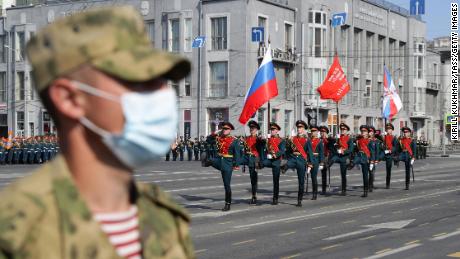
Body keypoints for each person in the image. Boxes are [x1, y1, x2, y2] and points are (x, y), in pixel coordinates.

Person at [0, 6, 195, 258]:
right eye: (135, 79)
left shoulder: (164, 217)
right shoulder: (15, 233)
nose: (161, 94)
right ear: (69, 98)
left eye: (160, 79)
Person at [202, 122, 240, 211]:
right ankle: (207, 163)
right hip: (219, 161)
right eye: (223, 128)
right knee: (209, 160)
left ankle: (228, 203)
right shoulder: (219, 138)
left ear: (230, 130)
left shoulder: (234, 141)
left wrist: (236, 165)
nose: (224, 130)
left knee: (226, 185)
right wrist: (215, 133)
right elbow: (208, 140)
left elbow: (237, 154)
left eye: (226, 129)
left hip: (227, 163)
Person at [240, 120, 265, 205]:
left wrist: (262, 140)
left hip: (254, 159)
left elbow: (262, 145)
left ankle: (254, 196)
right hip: (247, 158)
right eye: (251, 128)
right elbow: (244, 149)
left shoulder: (258, 139)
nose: (251, 129)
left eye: (253, 128)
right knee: (251, 178)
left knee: (253, 179)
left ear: (256, 129)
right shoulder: (247, 138)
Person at [262, 122, 286, 205]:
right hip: (269, 159)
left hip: (276, 160)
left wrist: (275, 155)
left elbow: (282, 151)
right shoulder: (268, 139)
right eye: (271, 129)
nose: (272, 131)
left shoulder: (281, 140)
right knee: (261, 163)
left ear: (277, 131)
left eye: (274, 129)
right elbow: (265, 149)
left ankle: (275, 198)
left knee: (275, 180)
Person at [328, 123, 353, 196]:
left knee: (343, 174)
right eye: (341, 129)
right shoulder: (339, 138)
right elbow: (336, 146)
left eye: (344, 129)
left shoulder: (349, 139)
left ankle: (343, 189)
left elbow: (351, 149)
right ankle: (328, 165)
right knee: (333, 158)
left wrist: (344, 151)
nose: (342, 131)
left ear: (347, 130)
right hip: (338, 155)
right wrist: (336, 145)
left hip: (344, 157)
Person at [352, 125, 375, 197]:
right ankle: (365, 191)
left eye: (364, 131)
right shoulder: (358, 140)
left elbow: (373, 152)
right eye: (362, 131)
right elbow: (356, 150)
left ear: (368, 133)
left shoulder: (370, 141)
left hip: (367, 159)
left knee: (368, 175)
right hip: (361, 158)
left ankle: (367, 188)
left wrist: (372, 162)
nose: (363, 132)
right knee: (364, 175)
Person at [306, 125, 324, 201]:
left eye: (314, 131)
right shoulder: (308, 140)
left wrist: (321, 163)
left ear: (317, 132)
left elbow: (321, 152)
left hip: (316, 159)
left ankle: (314, 193)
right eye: (312, 131)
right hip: (309, 159)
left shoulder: (319, 141)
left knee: (314, 177)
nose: (313, 133)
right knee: (307, 176)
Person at [383, 123, 399, 189]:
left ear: (392, 130)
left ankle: (387, 184)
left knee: (388, 169)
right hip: (383, 153)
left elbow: (395, 147)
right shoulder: (384, 137)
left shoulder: (394, 138)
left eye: (390, 129)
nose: (388, 130)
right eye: (387, 129)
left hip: (389, 155)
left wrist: (390, 150)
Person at [319, 126, 334, 195]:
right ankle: (323, 189)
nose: (322, 133)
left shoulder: (329, 140)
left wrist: (327, 139)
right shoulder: (319, 140)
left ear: (326, 133)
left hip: (326, 158)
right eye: (321, 132)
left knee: (324, 173)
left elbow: (331, 146)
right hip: (320, 157)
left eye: (324, 132)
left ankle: (324, 190)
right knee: (322, 174)